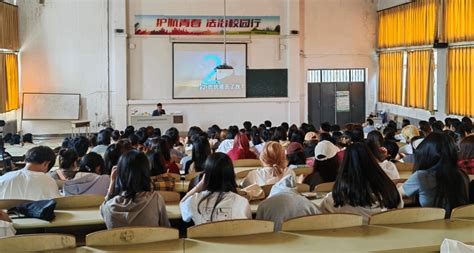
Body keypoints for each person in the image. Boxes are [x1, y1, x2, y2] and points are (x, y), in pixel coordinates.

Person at [318, 143, 403, 223]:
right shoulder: (392, 192)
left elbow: (322, 220)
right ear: (373, 160)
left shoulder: (333, 201)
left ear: (344, 164)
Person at [399, 132, 469, 217]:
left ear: (426, 153)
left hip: (431, 223)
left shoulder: (421, 176)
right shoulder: (462, 175)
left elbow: (397, 194)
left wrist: (401, 185)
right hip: (459, 224)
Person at [101, 150, 170, 229]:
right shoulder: (156, 199)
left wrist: (112, 182)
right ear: (146, 172)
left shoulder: (108, 207)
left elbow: (104, 207)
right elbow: (166, 229)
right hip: (149, 241)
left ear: (120, 174)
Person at [180, 153, 251, 225]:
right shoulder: (242, 203)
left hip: (205, 236)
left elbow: (182, 203)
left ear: (206, 176)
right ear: (231, 175)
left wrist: (199, 185)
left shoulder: (194, 201)